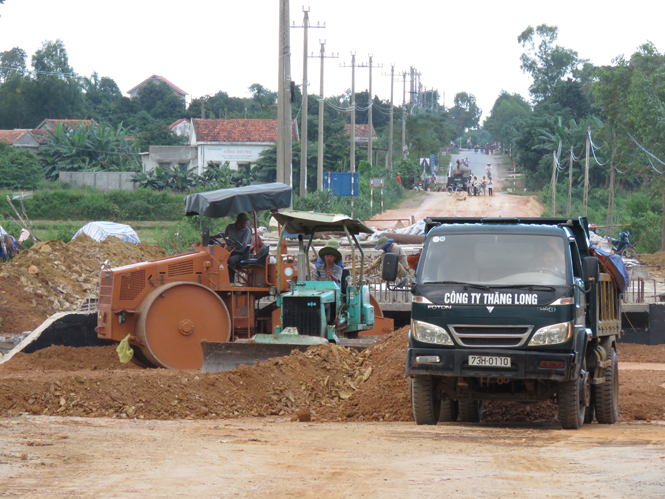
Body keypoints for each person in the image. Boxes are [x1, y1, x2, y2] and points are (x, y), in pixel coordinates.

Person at [224, 212, 252, 283]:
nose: (246, 223)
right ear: (239, 222)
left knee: (230, 260)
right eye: (245, 221)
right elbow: (224, 237)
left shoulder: (246, 231)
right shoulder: (229, 227)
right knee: (218, 259)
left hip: (241, 254)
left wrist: (230, 246)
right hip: (229, 252)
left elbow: (243, 245)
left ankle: (231, 282)